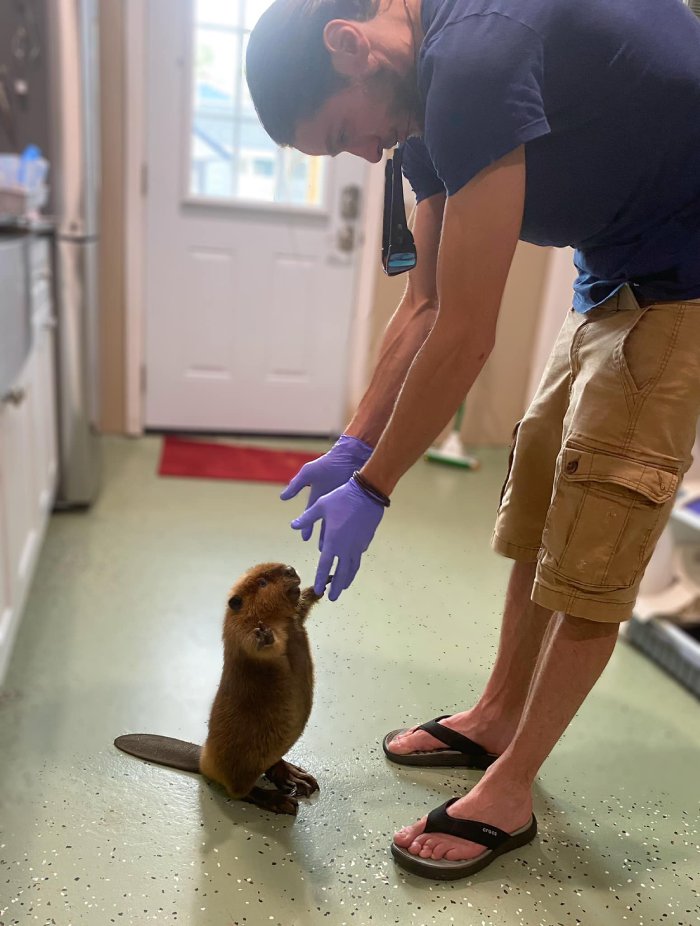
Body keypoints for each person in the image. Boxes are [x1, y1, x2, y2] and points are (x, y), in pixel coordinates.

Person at [246, 0, 700, 880]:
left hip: (684, 281)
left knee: (601, 528)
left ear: (350, 46)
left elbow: (468, 333)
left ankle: (513, 787)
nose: (366, 154)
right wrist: (354, 444)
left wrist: (376, 489)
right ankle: (495, 715)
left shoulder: (475, 58)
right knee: (540, 488)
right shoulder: (413, 106)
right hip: (613, 268)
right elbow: (423, 305)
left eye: (346, 133)